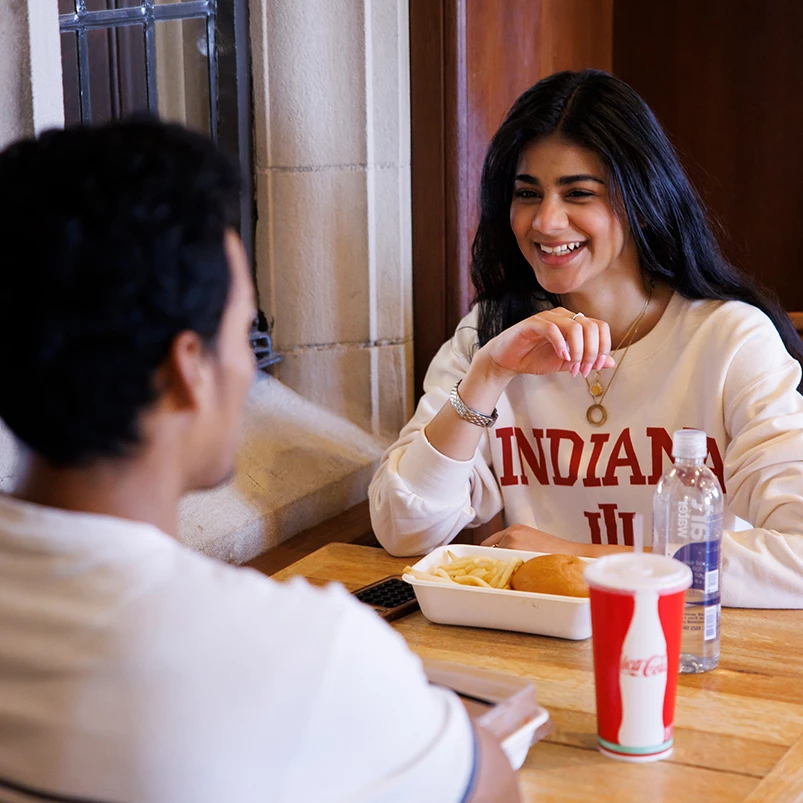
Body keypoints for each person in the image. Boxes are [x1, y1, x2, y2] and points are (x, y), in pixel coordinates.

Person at [0, 120, 520, 803]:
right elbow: (489, 785)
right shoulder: (304, 654)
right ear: (189, 367)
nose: (250, 366)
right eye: (244, 330)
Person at [369, 69, 803, 609]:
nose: (546, 221)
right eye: (527, 193)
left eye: (579, 192)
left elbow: (798, 558)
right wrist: (486, 377)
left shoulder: (730, 340)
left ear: (641, 196)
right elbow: (402, 527)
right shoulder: (491, 334)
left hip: (689, 647)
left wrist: (579, 557)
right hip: (538, 648)